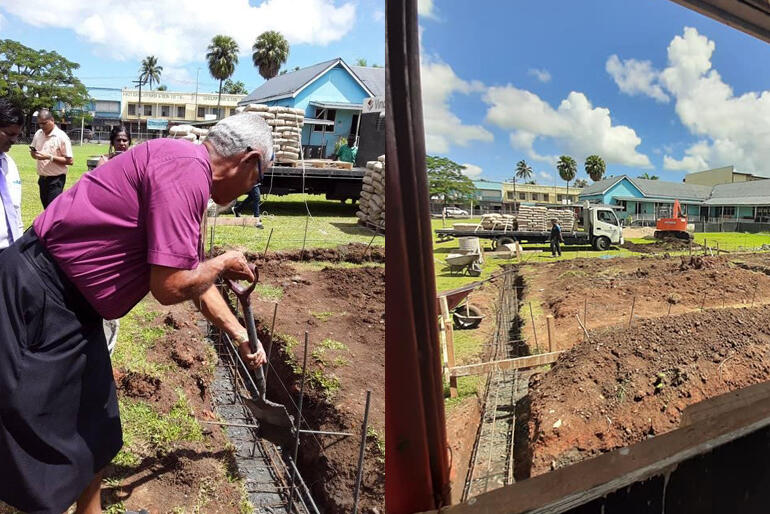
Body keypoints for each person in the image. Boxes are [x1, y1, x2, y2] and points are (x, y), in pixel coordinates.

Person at [0, 112, 273, 514]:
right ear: (248, 160)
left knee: (96, 426)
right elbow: (170, 287)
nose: (254, 185)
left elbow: (191, 273)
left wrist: (238, 333)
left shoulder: (185, 168)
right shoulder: (186, 172)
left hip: (75, 308)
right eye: (259, 175)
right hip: (41, 294)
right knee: (45, 438)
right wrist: (222, 262)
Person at [96, 124, 133, 355]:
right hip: (104, 226)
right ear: (112, 141)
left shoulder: (135, 161)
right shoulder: (103, 162)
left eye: (125, 140)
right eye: (118, 140)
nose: (122, 144)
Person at [29, 108, 74, 208]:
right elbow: (33, 155)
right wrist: (34, 154)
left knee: (52, 210)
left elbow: (70, 161)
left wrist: (49, 157)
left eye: (44, 123)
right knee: (46, 209)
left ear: (52, 120)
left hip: (56, 180)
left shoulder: (61, 136)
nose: (42, 126)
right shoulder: (38, 134)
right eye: (39, 123)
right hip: (42, 179)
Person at [0, 99, 24, 254]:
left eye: (17, 135)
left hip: (11, 250)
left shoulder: (9, 164)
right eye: (10, 134)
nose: (14, 140)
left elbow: (14, 209)